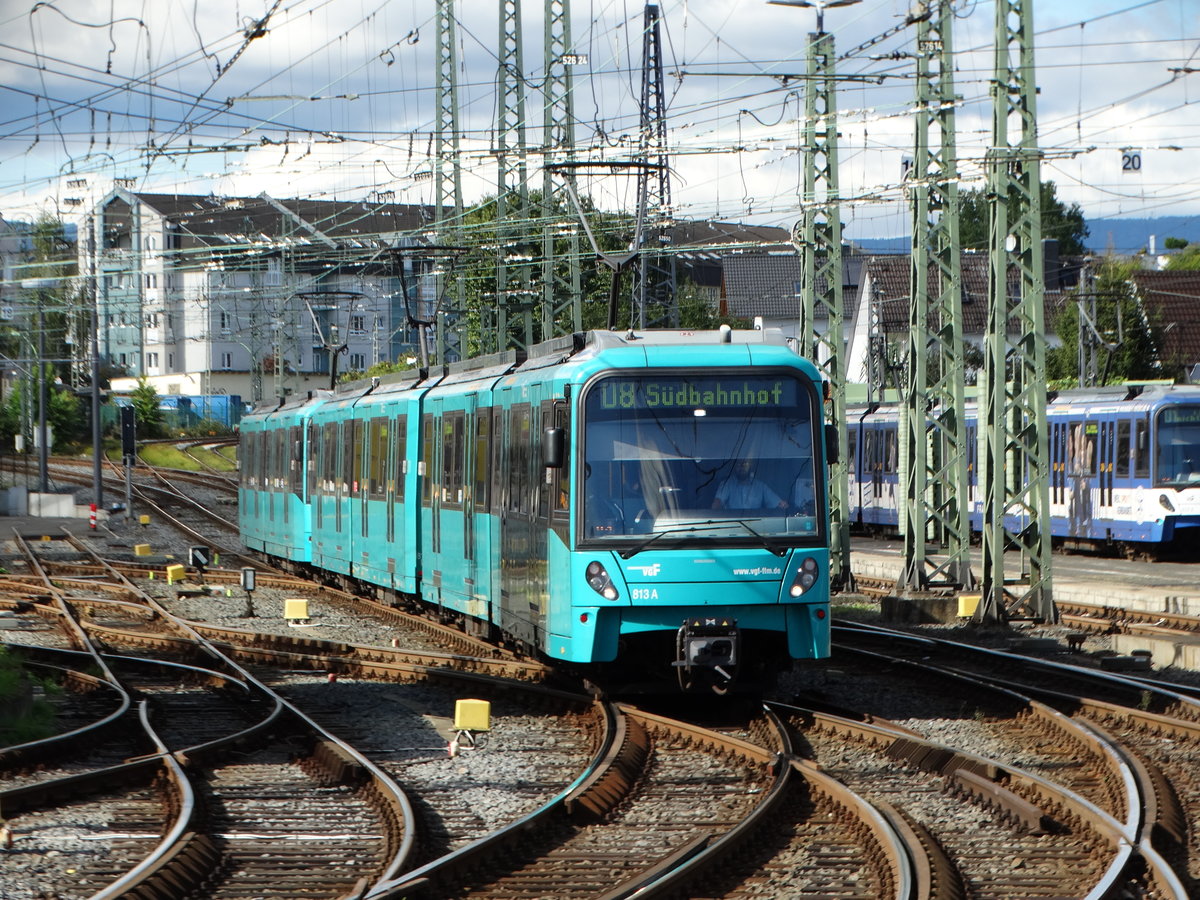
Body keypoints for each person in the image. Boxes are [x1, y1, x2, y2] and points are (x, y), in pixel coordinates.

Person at [713, 459, 788, 511]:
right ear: (734, 466)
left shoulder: (760, 486)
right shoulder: (727, 484)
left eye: (745, 464)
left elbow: (778, 503)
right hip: (732, 527)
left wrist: (783, 506)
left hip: (756, 528)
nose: (742, 468)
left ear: (751, 466)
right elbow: (717, 503)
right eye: (739, 464)